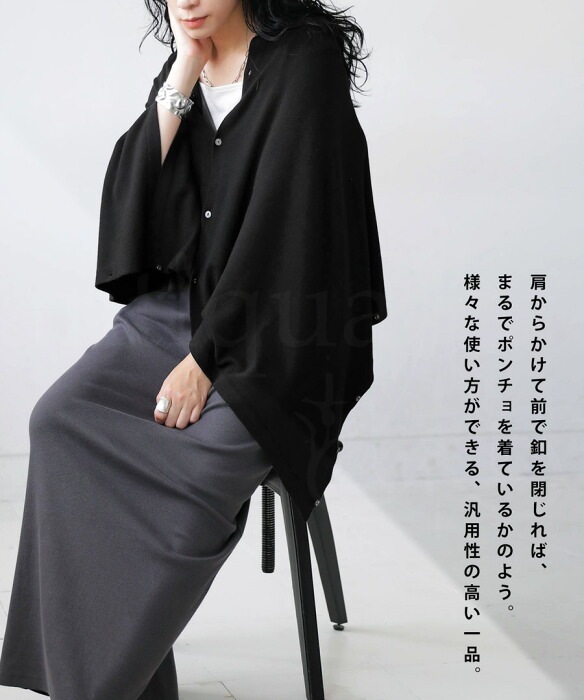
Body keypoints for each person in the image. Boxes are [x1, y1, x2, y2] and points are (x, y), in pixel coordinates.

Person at [0, 0, 387, 697]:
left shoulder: (304, 59)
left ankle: (97, 685)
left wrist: (206, 362)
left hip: (280, 336)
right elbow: (134, 195)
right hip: (176, 314)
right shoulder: (188, 58)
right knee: (59, 421)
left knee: (190, 468)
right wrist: (184, 67)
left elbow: (286, 229)